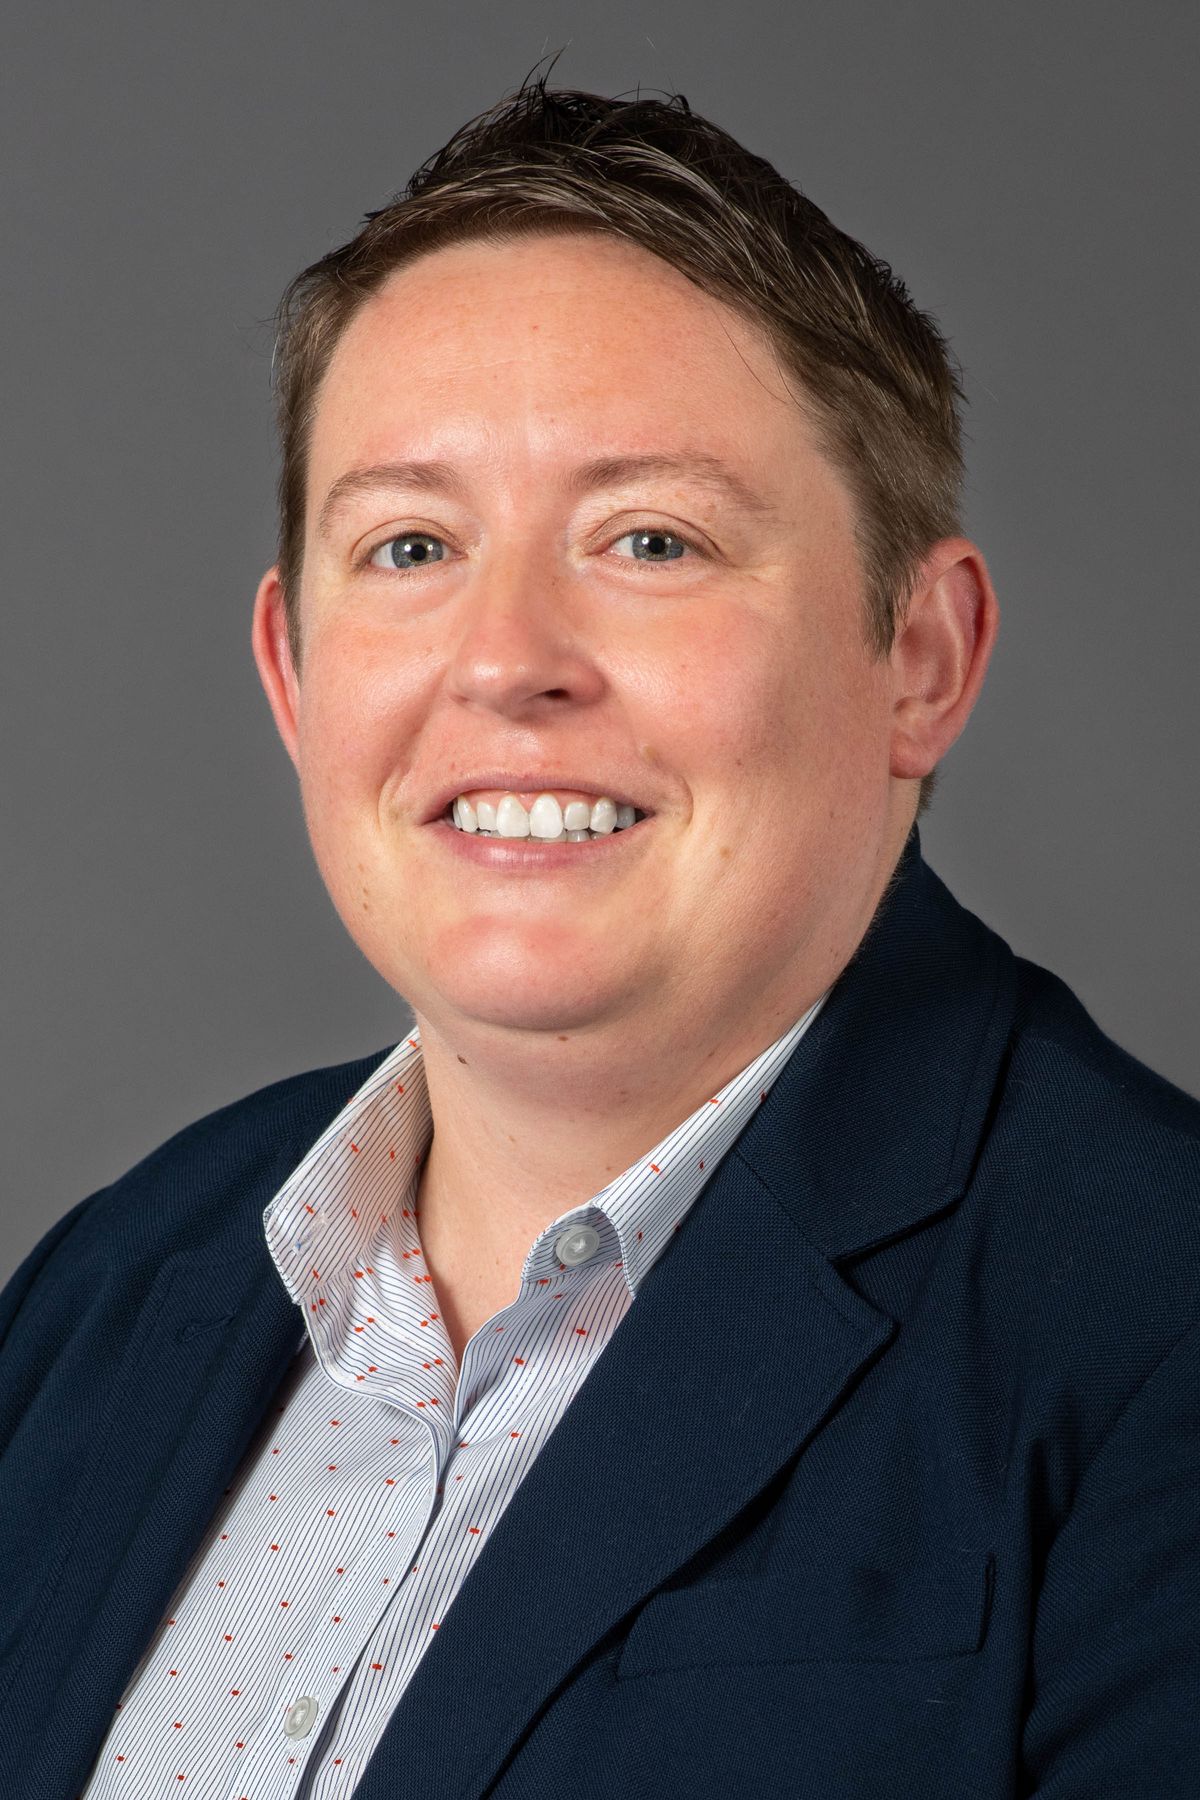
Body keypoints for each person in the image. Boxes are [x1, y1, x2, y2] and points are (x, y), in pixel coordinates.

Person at [2, 71, 1198, 1800]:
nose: (507, 660)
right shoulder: (112, 1291)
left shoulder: (1155, 1334)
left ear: (919, 659)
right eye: (409, 546)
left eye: (651, 539)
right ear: (292, 672)